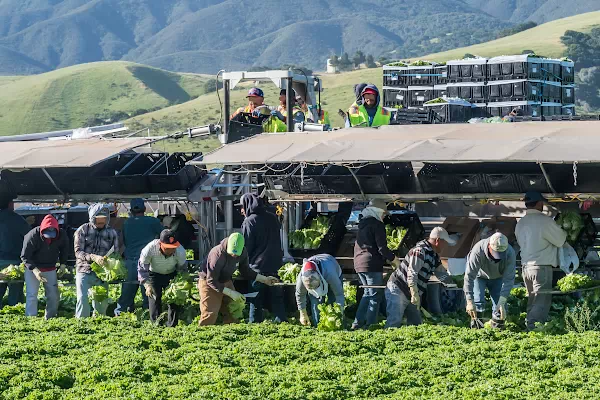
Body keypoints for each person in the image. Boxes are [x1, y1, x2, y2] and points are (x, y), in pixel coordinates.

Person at [198, 233, 277, 326]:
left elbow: (245, 271)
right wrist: (231, 293)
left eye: (236, 254)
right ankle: (203, 332)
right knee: (210, 314)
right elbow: (211, 280)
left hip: (226, 280)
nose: (234, 255)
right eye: (232, 253)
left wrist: (264, 279)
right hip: (209, 283)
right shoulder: (217, 254)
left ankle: (231, 334)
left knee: (233, 310)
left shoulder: (243, 252)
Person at [385, 227, 456, 328]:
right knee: (394, 321)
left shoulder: (434, 255)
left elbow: (441, 273)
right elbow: (412, 273)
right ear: (437, 241)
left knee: (416, 324)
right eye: (444, 243)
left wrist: (455, 284)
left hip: (413, 292)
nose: (445, 246)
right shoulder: (420, 251)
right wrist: (414, 293)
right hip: (399, 289)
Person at [515, 191, 567, 330]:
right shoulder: (544, 221)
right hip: (541, 267)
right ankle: (534, 329)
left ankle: (529, 325)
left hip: (526, 267)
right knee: (541, 301)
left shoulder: (521, 222)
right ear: (538, 203)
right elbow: (561, 240)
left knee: (532, 299)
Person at [352, 199, 400, 329]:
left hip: (359, 263)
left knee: (368, 293)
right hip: (371, 263)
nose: (384, 217)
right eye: (384, 214)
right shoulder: (377, 225)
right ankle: (370, 324)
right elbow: (382, 249)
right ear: (378, 212)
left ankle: (357, 323)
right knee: (375, 294)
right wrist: (394, 259)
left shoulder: (362, 224)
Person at [239, 193, 285, 323]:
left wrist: (242, 265)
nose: (242, 210)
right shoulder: (272, 218)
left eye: (242, 206)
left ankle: (255, 327)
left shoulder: (249, 221)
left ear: (248, 205)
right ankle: (282, 324)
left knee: (255, 300)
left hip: (257, 267)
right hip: (276, 265)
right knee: (277, 301)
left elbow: (247, 246)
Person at [114, 198, 163, 316]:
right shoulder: (153, 222)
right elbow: (163, 237)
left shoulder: (126, 223)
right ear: (145, 209)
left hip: (130, 262)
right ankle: (148, 316)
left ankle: (120, 315)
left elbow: (122, 242)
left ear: (131, 210)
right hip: (148, 263)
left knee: (126, 293)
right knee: (148, 292)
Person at [74, 203, 120, 318]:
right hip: (84, 270)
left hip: (102, 273)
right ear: (92, 218)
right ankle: (81, 325)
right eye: (98, 219)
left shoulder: (111, 232)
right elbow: (78, 252)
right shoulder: (82, 230)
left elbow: (116, 253)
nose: (101, 221)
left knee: (101, 302)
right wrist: (93, 257)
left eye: (104, 219)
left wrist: (110, 262)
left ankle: (99, 324)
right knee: (82, 299)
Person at [21, 214, 69, 319]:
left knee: (53, 295)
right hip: (33, 268)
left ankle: (50, 317)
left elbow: (65, 250)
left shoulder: (62, 235)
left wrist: (63, 264)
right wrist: (34, 270)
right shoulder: (32, 235)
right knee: (32, 294)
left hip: (50, 268)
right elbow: (24, 256)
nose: (49, 236)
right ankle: (31, 318)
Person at [138, 229, 188, 327]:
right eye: (167, 248)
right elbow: (142, 269)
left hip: (171, 275)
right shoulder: (149, 249)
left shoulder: (180, 251)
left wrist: (180, 284)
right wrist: (147, 285)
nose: (171, 250)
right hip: (154, 274)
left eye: (173, 248)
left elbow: (182, 270)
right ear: (160, 244)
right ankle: (156, 326)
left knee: (174, 300)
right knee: (154, 299)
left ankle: (172, 326)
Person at [463, 233, 516, 323]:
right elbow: (469, 276)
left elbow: (509, 279)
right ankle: (477, 326)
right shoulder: (478, 250)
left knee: (499, 305)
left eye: (500, 254)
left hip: (498, 277)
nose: (497, 258)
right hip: (479, 276)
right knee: (478, 301)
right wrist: (469, 301)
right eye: (496, 253)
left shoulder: (510, 253)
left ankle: (498, 328)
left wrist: (502, 301)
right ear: (489, 246)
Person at [0, 188, 30, 307]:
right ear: (10, 204)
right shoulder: (17, 219)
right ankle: (14, 314)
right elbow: (28, 237)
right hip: (15, 262)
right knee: (15, 293)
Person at [296, 255, 344, 326]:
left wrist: (339, 312)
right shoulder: (301, 278)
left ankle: (336, 327)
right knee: (315, 302)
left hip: (331, 264)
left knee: (333, 299)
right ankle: (318, 326)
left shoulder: (330, 274)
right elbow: (300, 294)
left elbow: (339, 294)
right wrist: (303, 314)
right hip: (320, 268)